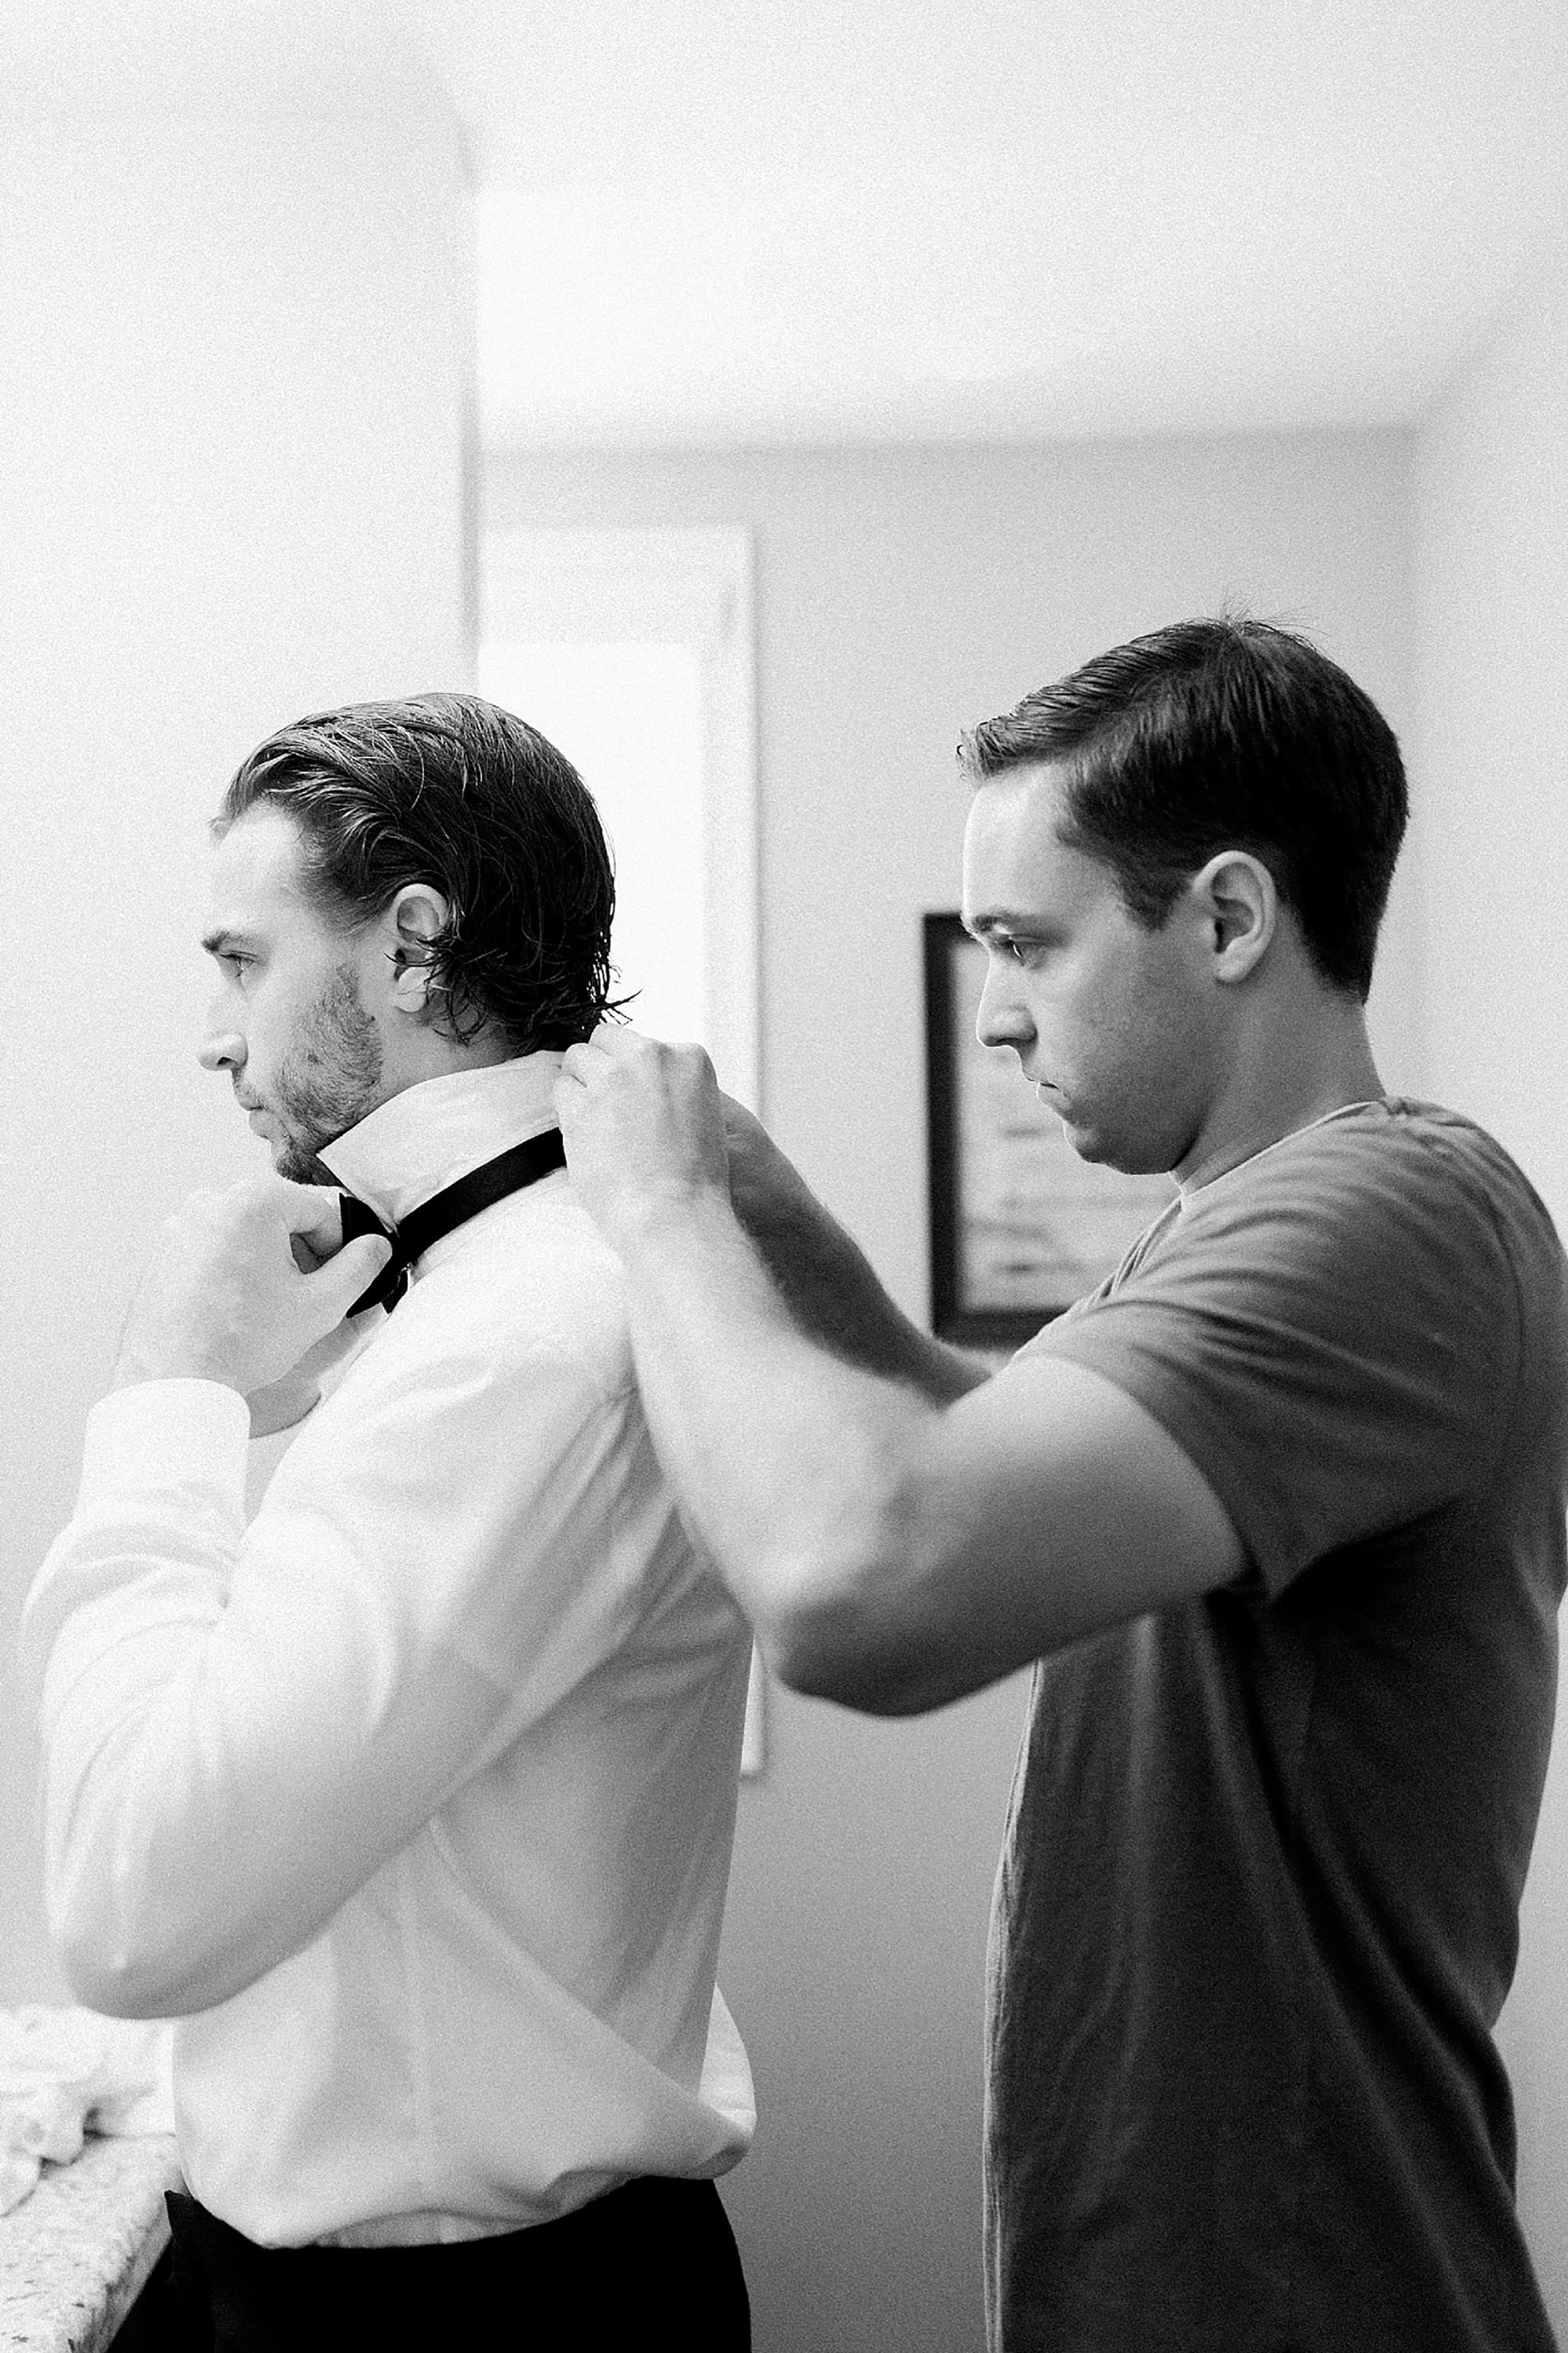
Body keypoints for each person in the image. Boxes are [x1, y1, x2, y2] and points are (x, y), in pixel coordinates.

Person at [550, 618, 1568, 2352]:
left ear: (1231, 918)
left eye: (1025, 943)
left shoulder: (1386, 1221)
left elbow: (856, 1582)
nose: (995, 1012)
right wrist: (769, 1206)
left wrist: (660, 1217)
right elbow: (976, 1435)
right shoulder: (1233, 1223)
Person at [20, 695, 754, 2350]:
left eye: (240, 960)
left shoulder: (521, 1341)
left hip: (464, 2321)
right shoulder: (496, 1299)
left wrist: (167, 1392)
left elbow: (138, 1907)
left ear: (413, 944)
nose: (215, 1032)